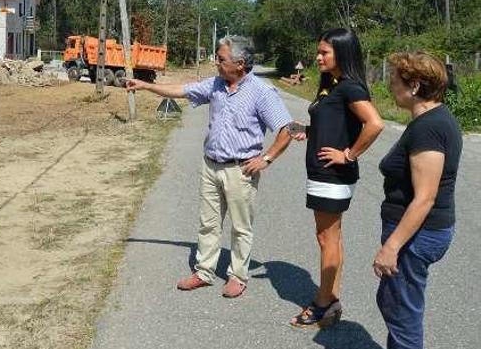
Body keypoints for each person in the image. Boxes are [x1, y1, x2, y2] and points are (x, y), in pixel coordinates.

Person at [126, 37, 293, 298]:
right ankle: (204, 271)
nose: (216, 62)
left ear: (239, 64)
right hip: (211, 165)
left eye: (221, 59)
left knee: (240, 226)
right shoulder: (216, 84)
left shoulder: (261, 92)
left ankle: (238, 276)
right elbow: (183, 89)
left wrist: (266, 159)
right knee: (209, 223)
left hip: (241, 170)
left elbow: (286, 129)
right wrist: (147, 86)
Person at [288, 28, 384, 328]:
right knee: (331, 237)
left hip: (333, 174)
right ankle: (331, 297)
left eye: (324, 52)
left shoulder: (350, 87)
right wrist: (309, 130)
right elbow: (335, 122)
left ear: (341, 53)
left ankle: (322, 302)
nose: (318, 57)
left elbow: (375, 124)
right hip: (324, 174)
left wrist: (349, 155)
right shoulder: (332, 85)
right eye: (318, 52)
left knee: (326, 237)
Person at [375, 52, 461, 349]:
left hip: (416, 235)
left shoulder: (429, 128)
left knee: (403, 313)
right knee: (395, 303)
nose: (390, 85)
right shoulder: (430, 121)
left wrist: (392, 246)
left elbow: (424, 198)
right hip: (417, 233)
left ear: (413, 86)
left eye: (394, 80)